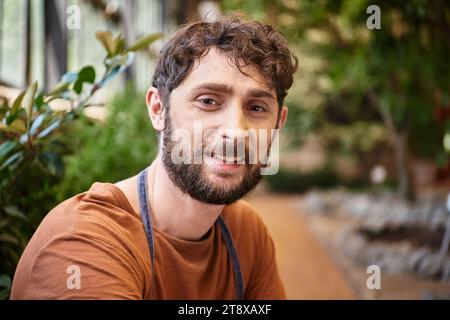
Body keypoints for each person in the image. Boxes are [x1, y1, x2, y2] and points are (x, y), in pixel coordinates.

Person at [11, 16, 298, 299]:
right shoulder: (86, 240)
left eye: (257, 107)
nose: (236, 131)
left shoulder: (246, 234)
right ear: (158, 109)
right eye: (208, 101)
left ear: (278, 123)